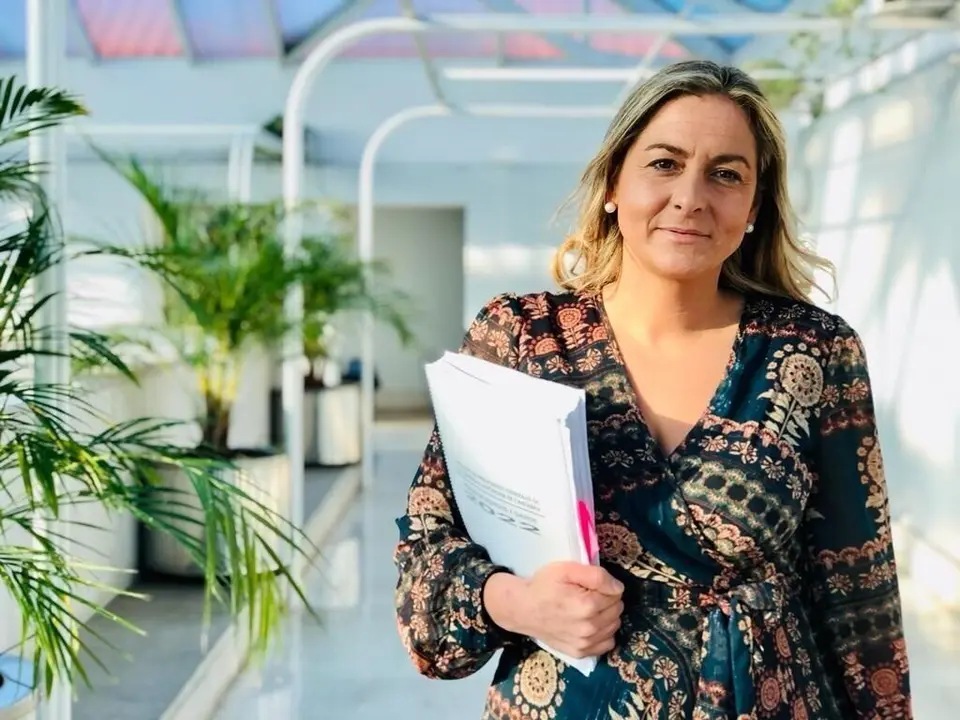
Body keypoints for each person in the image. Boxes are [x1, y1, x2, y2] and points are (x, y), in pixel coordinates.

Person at [393, 60, 912, 719]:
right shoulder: (522, 338)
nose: (691, 196)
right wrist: (519, 604)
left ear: (754, 207)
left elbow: (861, 592)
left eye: (726, 174)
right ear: (615, 182)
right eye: (664, 164)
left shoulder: (812, 350)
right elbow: (426, 552)